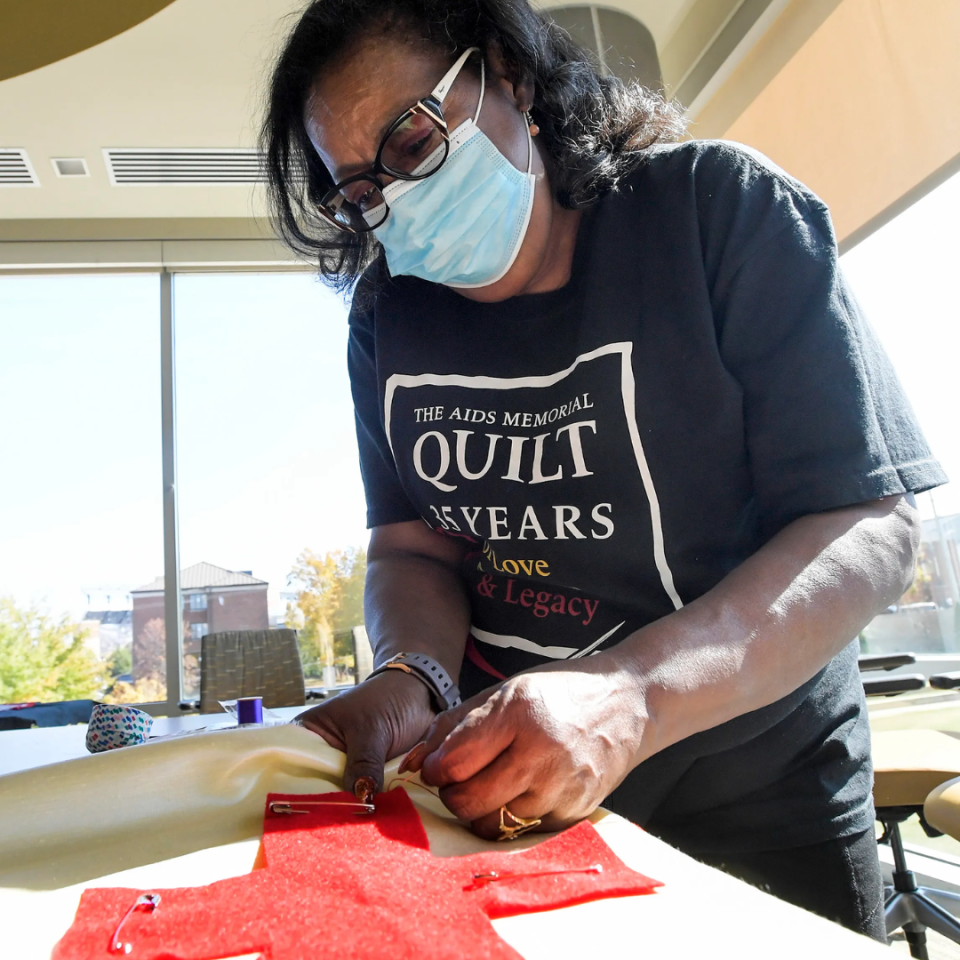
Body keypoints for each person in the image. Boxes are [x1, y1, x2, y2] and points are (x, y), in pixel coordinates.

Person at [261, 0, 945, 940]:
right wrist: (412, 673)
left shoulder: (718, 210)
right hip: (504, 804)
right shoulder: (391, 315)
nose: (396, 201)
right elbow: (415, 549)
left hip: (752, 794)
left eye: (413, 143)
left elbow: (867, 524)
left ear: (508, 73)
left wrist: (635, 694)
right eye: (361, 192)